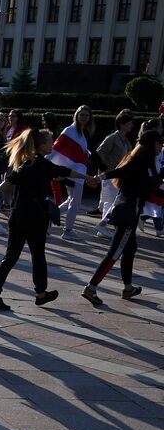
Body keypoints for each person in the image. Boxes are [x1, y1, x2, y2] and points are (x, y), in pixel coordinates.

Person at [0, 127, 98, 311]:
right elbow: (65, 172)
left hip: (18, 215)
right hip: (35, 217)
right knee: (38, 256)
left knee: (11, 256)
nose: (53, 145)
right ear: (43, 146)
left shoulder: (28, 163)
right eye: (50, 143)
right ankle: (40, 294)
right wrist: (87, 177)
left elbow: (10, 180)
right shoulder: (39, 164)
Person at [82, 129, 160, 303]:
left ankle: (128, 288)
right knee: (115, 252)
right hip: (128, 212)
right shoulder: (141, 161)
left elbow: (148, 187)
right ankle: (91, 287)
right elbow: (123, 172)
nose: (161, 145)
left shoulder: (145, 162)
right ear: (151, 144)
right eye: (159, 142)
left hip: (129, 210)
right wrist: (101, 176)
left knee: (130, 249)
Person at [49, 105, 101, 241]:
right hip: (71, 170)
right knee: (75, 201)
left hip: (78, 170)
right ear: (76, 116)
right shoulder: (70, 130)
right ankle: (68, 230)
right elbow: (56, 148)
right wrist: (45, 162)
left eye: (86, 115)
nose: (84, 117)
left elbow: (90, 152)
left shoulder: (85, 133)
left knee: (71, 200)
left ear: (90, 118)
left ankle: (49, 216)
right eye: (81, 114)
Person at [95, 110, 136, 231]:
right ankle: (102, 226)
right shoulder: (112, 138)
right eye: (129, 123)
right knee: (110, 201)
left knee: (113, 201)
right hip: (109, 175)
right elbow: (99, 153)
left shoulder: (126, 140)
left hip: (118, 176)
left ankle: (103, 226)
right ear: (122, 124)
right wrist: (104, 169)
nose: (132, 125)